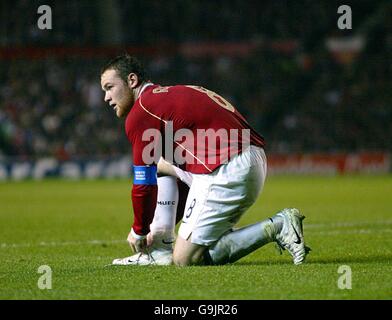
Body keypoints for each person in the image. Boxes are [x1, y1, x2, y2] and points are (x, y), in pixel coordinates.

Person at [100, 54, 310, 266]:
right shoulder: (173, 93)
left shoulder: (141, 112)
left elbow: (143, 184)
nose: (106, 97)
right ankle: (159, 250)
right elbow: (176, 175)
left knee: (185, 259)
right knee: (161, 163)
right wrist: (166, 228)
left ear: (132, 81)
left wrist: (140, 230)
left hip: (227, 169)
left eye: (110, 87)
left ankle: (278, 225)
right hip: (249, 159)